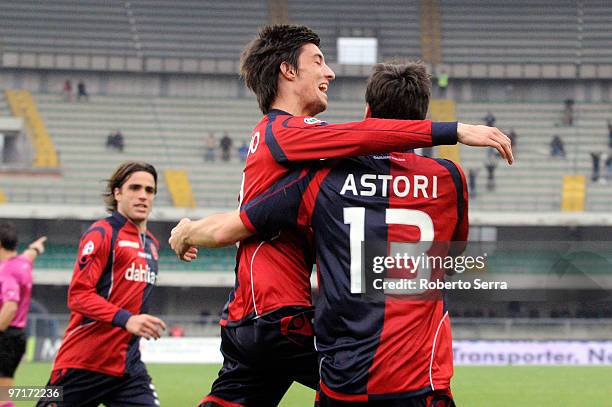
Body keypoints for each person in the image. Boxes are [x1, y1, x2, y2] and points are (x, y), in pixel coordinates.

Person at [173, 24, 511, 407]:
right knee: (365, 374)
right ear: (288, 71)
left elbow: (240, 221)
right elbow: (362, 135)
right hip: (282, 315)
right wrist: (455, 130)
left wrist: (189, 230)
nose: (329, 72)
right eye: (318, 61)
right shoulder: (290, 134)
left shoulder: (284, 146)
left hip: (247, 312)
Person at [37, 161, 166, 407]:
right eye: (135, 188)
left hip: (127, 368)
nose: (143, 196)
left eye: (149, 190)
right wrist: (127, 319)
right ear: (117, 193)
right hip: (83, 364)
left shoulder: (152, 244)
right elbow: (78, 295)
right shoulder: (102, 234)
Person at [0, 224, 46, 407]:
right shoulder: (22, 263)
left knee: (3, 396)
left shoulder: (5, 270)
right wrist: (35, 248)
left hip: (6, 336)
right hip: (17, 336)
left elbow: (10, 306)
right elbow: (30, 255)